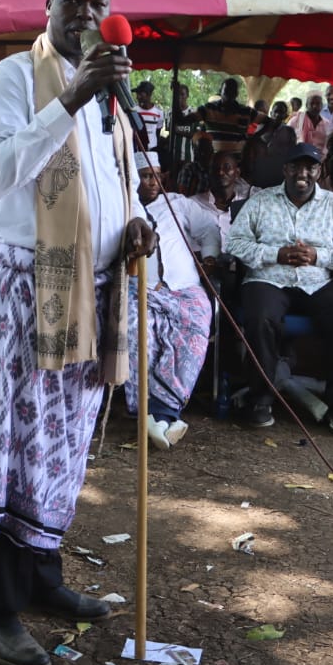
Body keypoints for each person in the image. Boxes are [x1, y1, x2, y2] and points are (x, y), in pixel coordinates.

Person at [0, 0, 155, 665]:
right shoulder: (14, 78)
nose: (85, 13)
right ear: (46, 5)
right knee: (19, 444)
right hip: (27, 287)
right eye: (72, 1)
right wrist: (70, 97)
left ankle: (41, 577)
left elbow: (113, 186)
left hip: (93, 287)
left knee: (64, 444)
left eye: (97, 3)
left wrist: (133, 223)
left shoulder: (113, 96)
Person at [226, 143, 333, 433]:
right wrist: (276, 254)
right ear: (285, 169)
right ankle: (260, 399)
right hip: (269, 278)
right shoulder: (261, 201)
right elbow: (234, 243)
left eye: (310, 167)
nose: (303, 173)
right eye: (296, 167)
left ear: (319, 171)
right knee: (260, 315)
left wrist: (318, 256)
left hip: (317, 280)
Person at [128, 152, 218, 448]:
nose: (153, 182)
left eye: (156, 176)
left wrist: (209, 256)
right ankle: (153, 413)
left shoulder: (178, 203)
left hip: (184, 287)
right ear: (134, 178)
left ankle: (160, 413)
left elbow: (209, 229)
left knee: (196, 323)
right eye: (145, 176)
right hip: (141, 286)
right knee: (135, 330)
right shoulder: (124, 203)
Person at [199, 78, 273, 155]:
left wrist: (254, 137)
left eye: (232, 92)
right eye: (226, 91)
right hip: (213, 160)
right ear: (220, 91)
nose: (229, 95)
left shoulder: (246, 111)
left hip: (237, 160)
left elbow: (269, 122)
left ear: (236, 94)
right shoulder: (209, 109)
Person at [290, 91, 332, 157]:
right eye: (311, 103)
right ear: (306, 105)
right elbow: (287, 137)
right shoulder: (296, 120)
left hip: (320, 160)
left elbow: (328, 145)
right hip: (300, 158)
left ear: (322, 105)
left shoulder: (327, 124)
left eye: (318, 103)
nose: (315, 106)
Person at [133, 80, 163, 151]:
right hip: (138, 149)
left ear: (149, 94)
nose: (137, 97)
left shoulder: (159, 112)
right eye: (137, 94)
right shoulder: (134, 111)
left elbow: (158, 131)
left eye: (140, 94)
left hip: (153, 149)